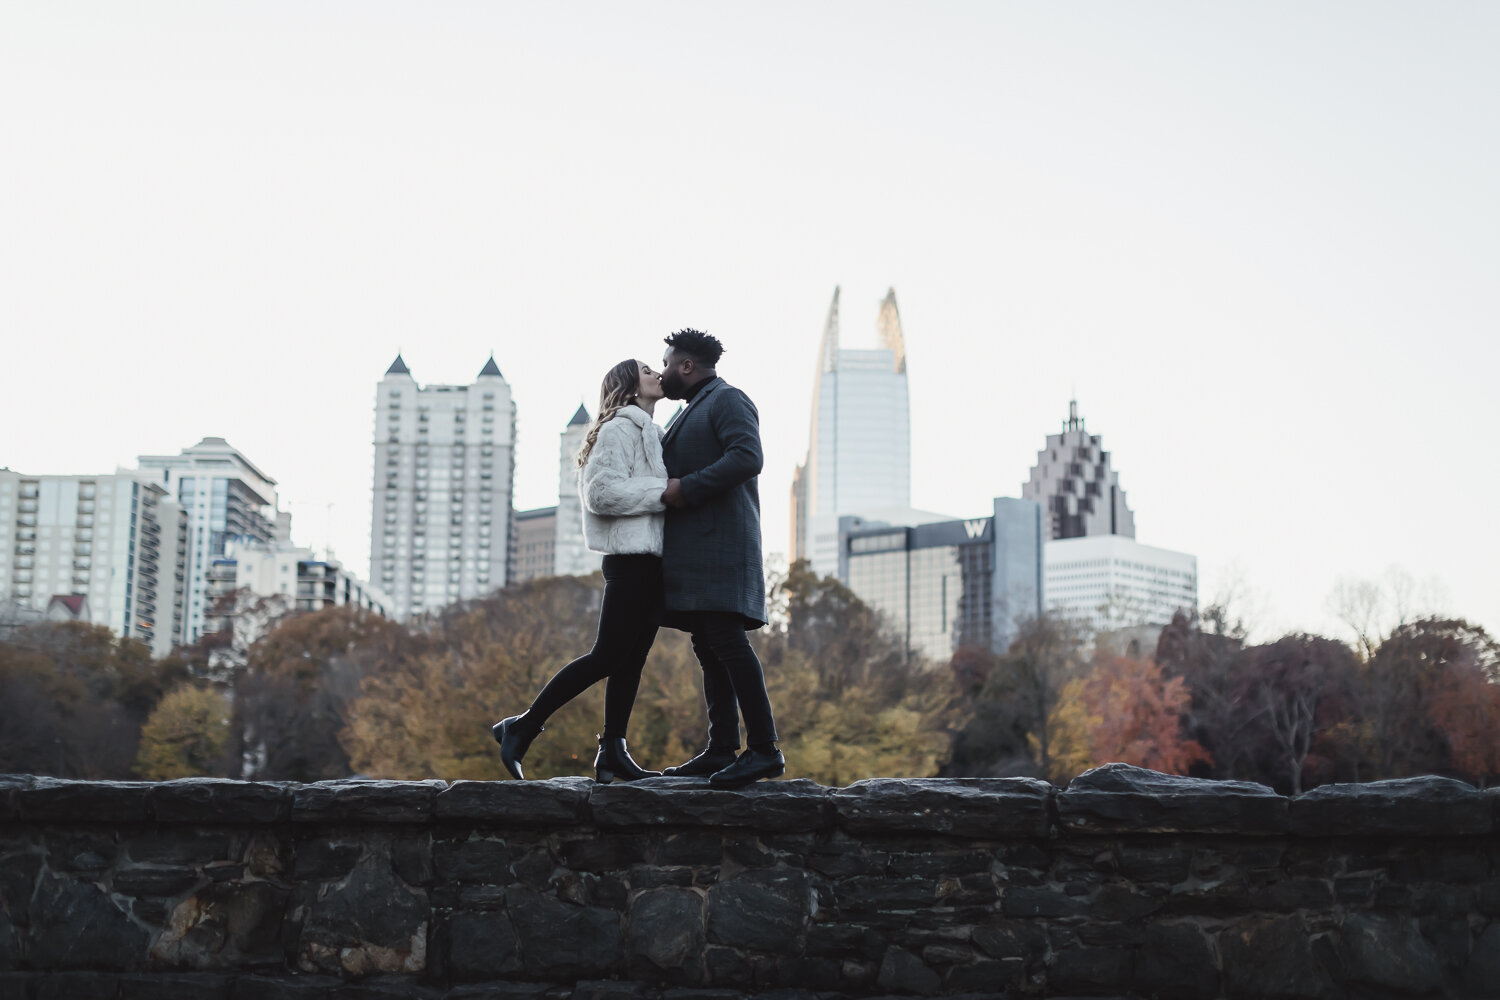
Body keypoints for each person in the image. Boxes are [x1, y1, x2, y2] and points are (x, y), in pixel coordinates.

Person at [492, 359, 669, 783]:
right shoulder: (617, 429)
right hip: (628, 559)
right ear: (628, 386)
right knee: (608, 655)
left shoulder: (651, 432)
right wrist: (667, 492)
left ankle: (613, 752)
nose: (656, 373)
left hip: (652, 561)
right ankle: (522, 727)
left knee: (631, 662)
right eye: (647, 369)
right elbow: (602, 493)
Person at [656, 329, 784, 788]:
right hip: (700, 552)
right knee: (709, 647)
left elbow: (748, 457)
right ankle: (721, 749)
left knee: (727, 644)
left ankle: (765, 750)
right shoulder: (695, 406)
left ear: (687, 366)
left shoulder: (727, 399)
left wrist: (685, 488)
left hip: (721, 549)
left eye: (668, 362)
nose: (664, 370)